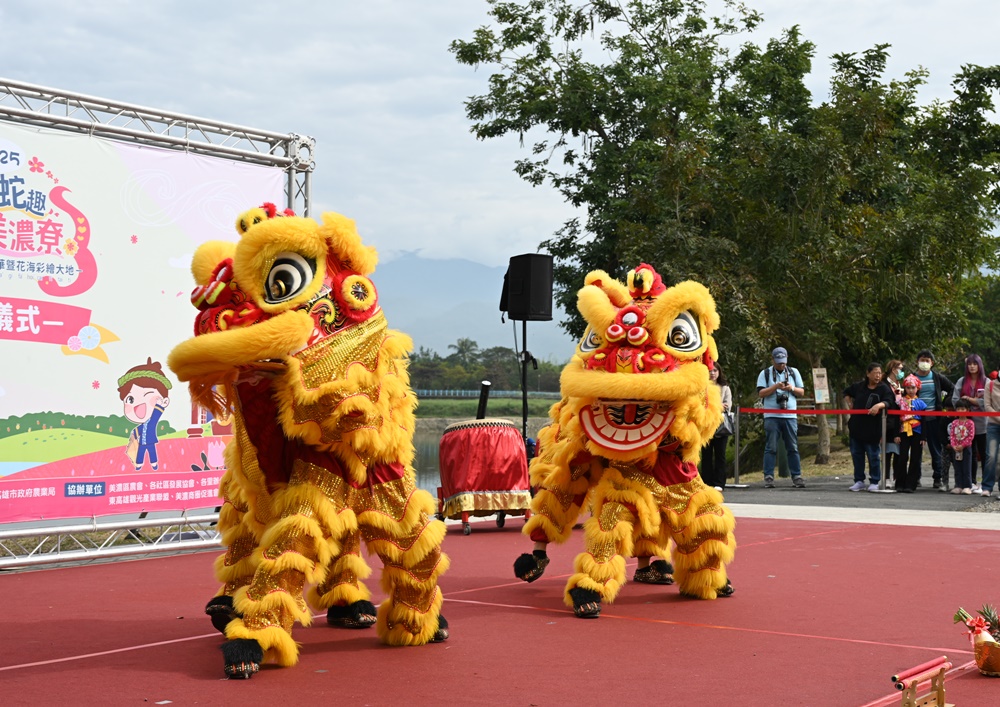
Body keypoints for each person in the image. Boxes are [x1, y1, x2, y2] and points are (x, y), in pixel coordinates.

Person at [756, 347, 805, 488]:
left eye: (783, 362)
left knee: (793, 446)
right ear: (772, 360)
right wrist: (775, 387)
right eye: (778, 363)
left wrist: (791, 389)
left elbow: (801, 392)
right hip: (771, 415)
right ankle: (769, 476)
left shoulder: (794, 372)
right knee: (771, 447)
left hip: (790, 416)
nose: (781, 365)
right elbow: (761, 393)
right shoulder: (765, 374)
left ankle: (797, 476)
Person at [842, 363, 895, 492]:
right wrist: (849, 402)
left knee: (873, 456)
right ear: (868, 373)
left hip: (873, 429)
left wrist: (879, 405)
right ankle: (859, 480)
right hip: (857, 427)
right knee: (857, 455)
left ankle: (874, 481)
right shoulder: (859, 387)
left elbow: (889, 401)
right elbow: (846, 392)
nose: (878, 375)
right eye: (875, 372)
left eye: (879, 372)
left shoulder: (883, 388)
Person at [913, 350, 955, 489]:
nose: (924, 363)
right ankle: (915, 477)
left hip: (934, 418)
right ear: (917, 362)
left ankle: (938, 478)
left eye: (927, 360)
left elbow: (952, 388)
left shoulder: (937, 377)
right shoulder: (912, 378)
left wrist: (944, 404)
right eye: (922, 360)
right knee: (916, 449)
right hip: (916, 419)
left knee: (935, 449)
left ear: (932, 363)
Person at [951, 354, 988, 493]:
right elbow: (955, 400)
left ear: (980, 365)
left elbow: (987, 403)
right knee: (969, 455)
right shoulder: (961, 381)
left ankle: (985, 484)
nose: (972, 366)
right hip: (964, 425)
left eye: (975, 364)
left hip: (982, 424)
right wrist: (964, 405)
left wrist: (970, 400)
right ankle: (969, 483)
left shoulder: (986, 381)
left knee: (984, 455)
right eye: (969, 364)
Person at [700, 364, 733, 490]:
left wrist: (714, 405)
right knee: (706, 454)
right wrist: (717, 406)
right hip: (706, 424)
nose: (712, 373)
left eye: (715, 370)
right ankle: (706, 482)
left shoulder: (725, 387)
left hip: (721, 425)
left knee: (720, 454)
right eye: (710, 370)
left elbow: (727, 405)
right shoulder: (702, 386)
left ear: (719, 372)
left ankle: (719, 482)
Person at [895, 375, 928, 493]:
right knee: (902, 457)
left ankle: (911, 484)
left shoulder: (921, 403)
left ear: (917, 388)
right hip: (903, 431)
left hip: (917, 431)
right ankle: (899, 483)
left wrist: (924, 436)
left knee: (915, 458)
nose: (910, 390)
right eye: (908, 388)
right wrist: (896, 434)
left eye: (913, 387)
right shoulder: (900, 402)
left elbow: (924, 421)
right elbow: (896, 419)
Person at [883, 359, 906, 488]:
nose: (901, 372)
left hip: (900, 421)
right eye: (900, 369)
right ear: (893, 369)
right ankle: (886, 477)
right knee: (887, 451)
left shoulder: (899, 384)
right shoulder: (885, 384)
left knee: (899, 451)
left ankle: (897, 477)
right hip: (888, 422)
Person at [948, 398, 976, 494]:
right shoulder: (954, 423)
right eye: (958, 408)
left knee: (967, 467)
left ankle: (967, 486)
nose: (960, 411)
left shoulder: (970, 423)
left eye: (963, 408)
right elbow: (951, 435)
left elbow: (970, 436)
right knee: (957, 467)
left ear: (968, 410)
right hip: (956, 449)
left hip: (966, 448)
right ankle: (958, 485)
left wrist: (963, 445)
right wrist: (954, 445)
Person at [983, 370, 1000, 498]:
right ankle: (987, 487)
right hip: (993, 425)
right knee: (991, 456)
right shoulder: (990, 385)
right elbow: (987, 406)